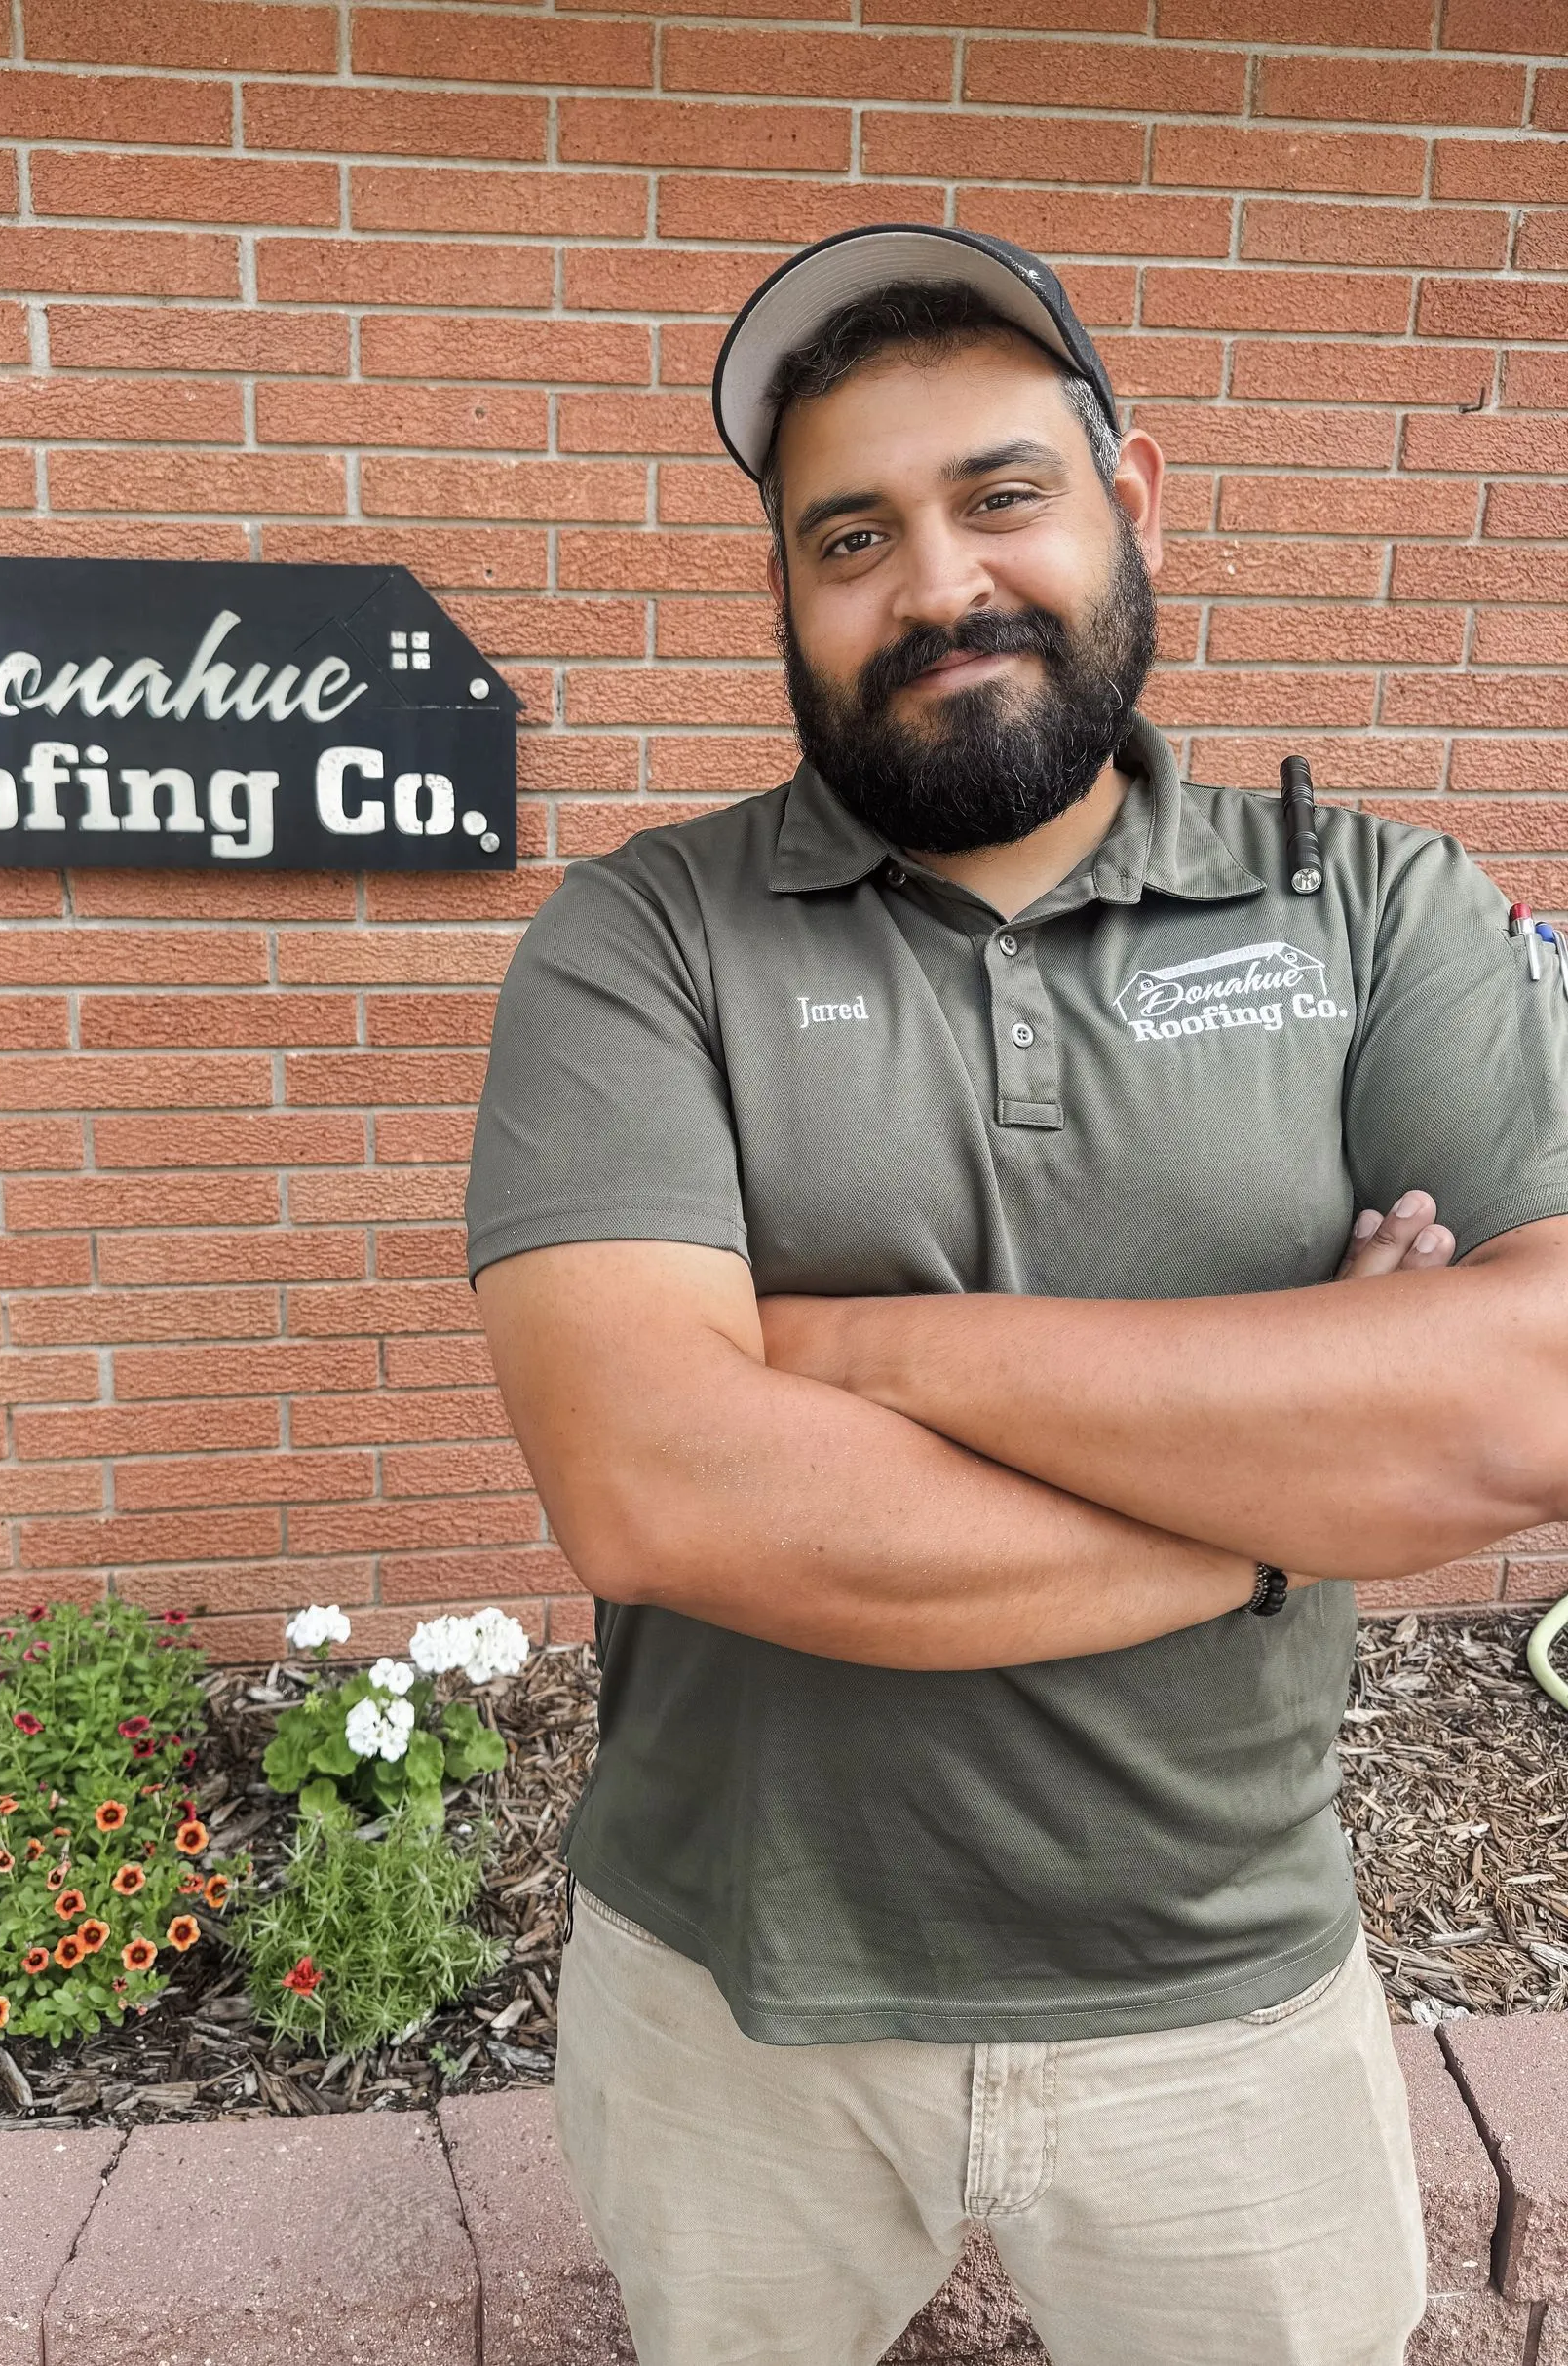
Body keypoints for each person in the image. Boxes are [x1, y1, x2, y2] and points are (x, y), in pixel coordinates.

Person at [464, 225, 1568, 2366]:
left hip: (1229, 1995)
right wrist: (1298, 1477)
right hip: (735, 2003)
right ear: (784, 591)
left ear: (1125, 496)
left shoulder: (1372, 908)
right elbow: (667, 1494)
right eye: (850, 535)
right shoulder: (642, 942)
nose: (937, 582)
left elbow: (1528, 1403)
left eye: (1000, 495)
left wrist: (855, 1345)